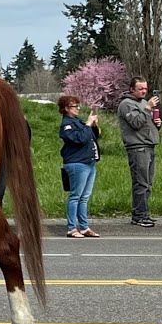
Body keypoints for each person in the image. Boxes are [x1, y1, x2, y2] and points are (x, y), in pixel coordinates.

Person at [117, 76, 162, 228]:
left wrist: (156, 124)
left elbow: (144, 123)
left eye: (145, 88)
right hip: (137, 147)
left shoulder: (142, 103)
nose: (144, 91)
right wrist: (148, 108)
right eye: (140, 89)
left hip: (149, 145)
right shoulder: (126, 104)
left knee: (148, 183)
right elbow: (136, 123)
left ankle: (144, 213)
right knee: (140, 183)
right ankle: (138, 215)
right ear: (131, 89)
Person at [58, 95, 101, 238]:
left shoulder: (78, 122)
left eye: (78, 105)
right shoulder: (67, 124)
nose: (77, 108)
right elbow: (79, 139)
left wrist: (93, 126)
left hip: (89, 162)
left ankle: (84, 226)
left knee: (84, 197)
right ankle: (71, 227)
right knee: (75, 196)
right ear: (65, 109)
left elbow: (91, 137)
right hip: (77, 163)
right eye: (74, 106)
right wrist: (88, 124)